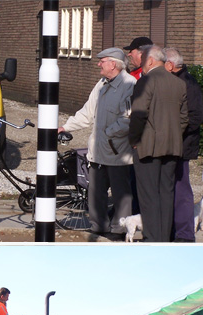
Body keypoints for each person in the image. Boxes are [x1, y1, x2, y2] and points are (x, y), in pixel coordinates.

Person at [59, 47, 135, 237]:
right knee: (95, 193)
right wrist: (66, 127)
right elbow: (87, 112)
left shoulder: (129, 85)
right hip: (98, 151)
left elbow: (128, 119)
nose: (99, 64)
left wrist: (107, 133)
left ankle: (120, 229)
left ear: (114, 65)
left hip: (118, 152)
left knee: (121, 195)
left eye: (103, 61)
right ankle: (99, 227)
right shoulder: (101, 84)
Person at [128, 45, 188, 242]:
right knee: (166, 194)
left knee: (148, 196)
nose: (141, 66)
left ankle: (152, 239)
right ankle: (163, 239)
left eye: (143, 61)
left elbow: (138, 114)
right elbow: (184, 118)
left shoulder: (145, 82)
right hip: (172, 147)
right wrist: (172, 135)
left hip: (148, 147)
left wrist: (134, 140)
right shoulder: (178, 83)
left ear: (151, 61)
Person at [164, 47, 203, 242]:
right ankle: (173, 231)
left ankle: (185, 234)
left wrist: (174, 135)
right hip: (174, 143)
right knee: (171, 188)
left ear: (170, 65)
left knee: (181, 190)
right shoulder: (174, 81)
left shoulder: (187, 84)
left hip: (182, 145)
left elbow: (195, 117)